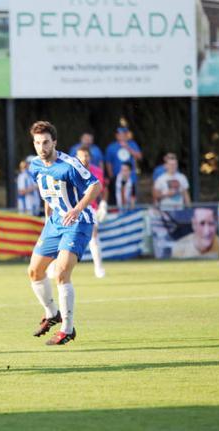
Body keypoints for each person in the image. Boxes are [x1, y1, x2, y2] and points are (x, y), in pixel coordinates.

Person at [26, 121, 102, 346]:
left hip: (78, 222)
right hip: (55, 222)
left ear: (54, 142)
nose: (42, 147)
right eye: (38, 143)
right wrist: (48, 214)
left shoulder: (69, 164)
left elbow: (95, 186)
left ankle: (67, 329)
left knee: (60, 273)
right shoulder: (34, 165)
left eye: (46, 142)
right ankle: (52, 314)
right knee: (34, 271)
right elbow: (46, 192)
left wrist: (77, 209)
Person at [76, 147, 107, 278]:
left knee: (93, 237)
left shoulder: (97, 171)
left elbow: (103, 189)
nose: (84, 158)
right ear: (77, 157)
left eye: (86, 156)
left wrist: (103, 204)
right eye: (82, 156)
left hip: (90, 208)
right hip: (73, 208)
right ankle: (53, 266)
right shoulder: (72, 170)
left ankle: (98, 267)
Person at [105, 126, 142, 205]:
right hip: (117, 178)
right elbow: (108, 163)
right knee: (117, 199)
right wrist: (111, 177)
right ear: (116, 136)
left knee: (132, 198)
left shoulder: (132, 144)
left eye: (124, 134)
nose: (122, 136)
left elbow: (139, 157)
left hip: (131, 177)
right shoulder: (111, 147)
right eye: (120, 134)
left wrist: (127, 147)